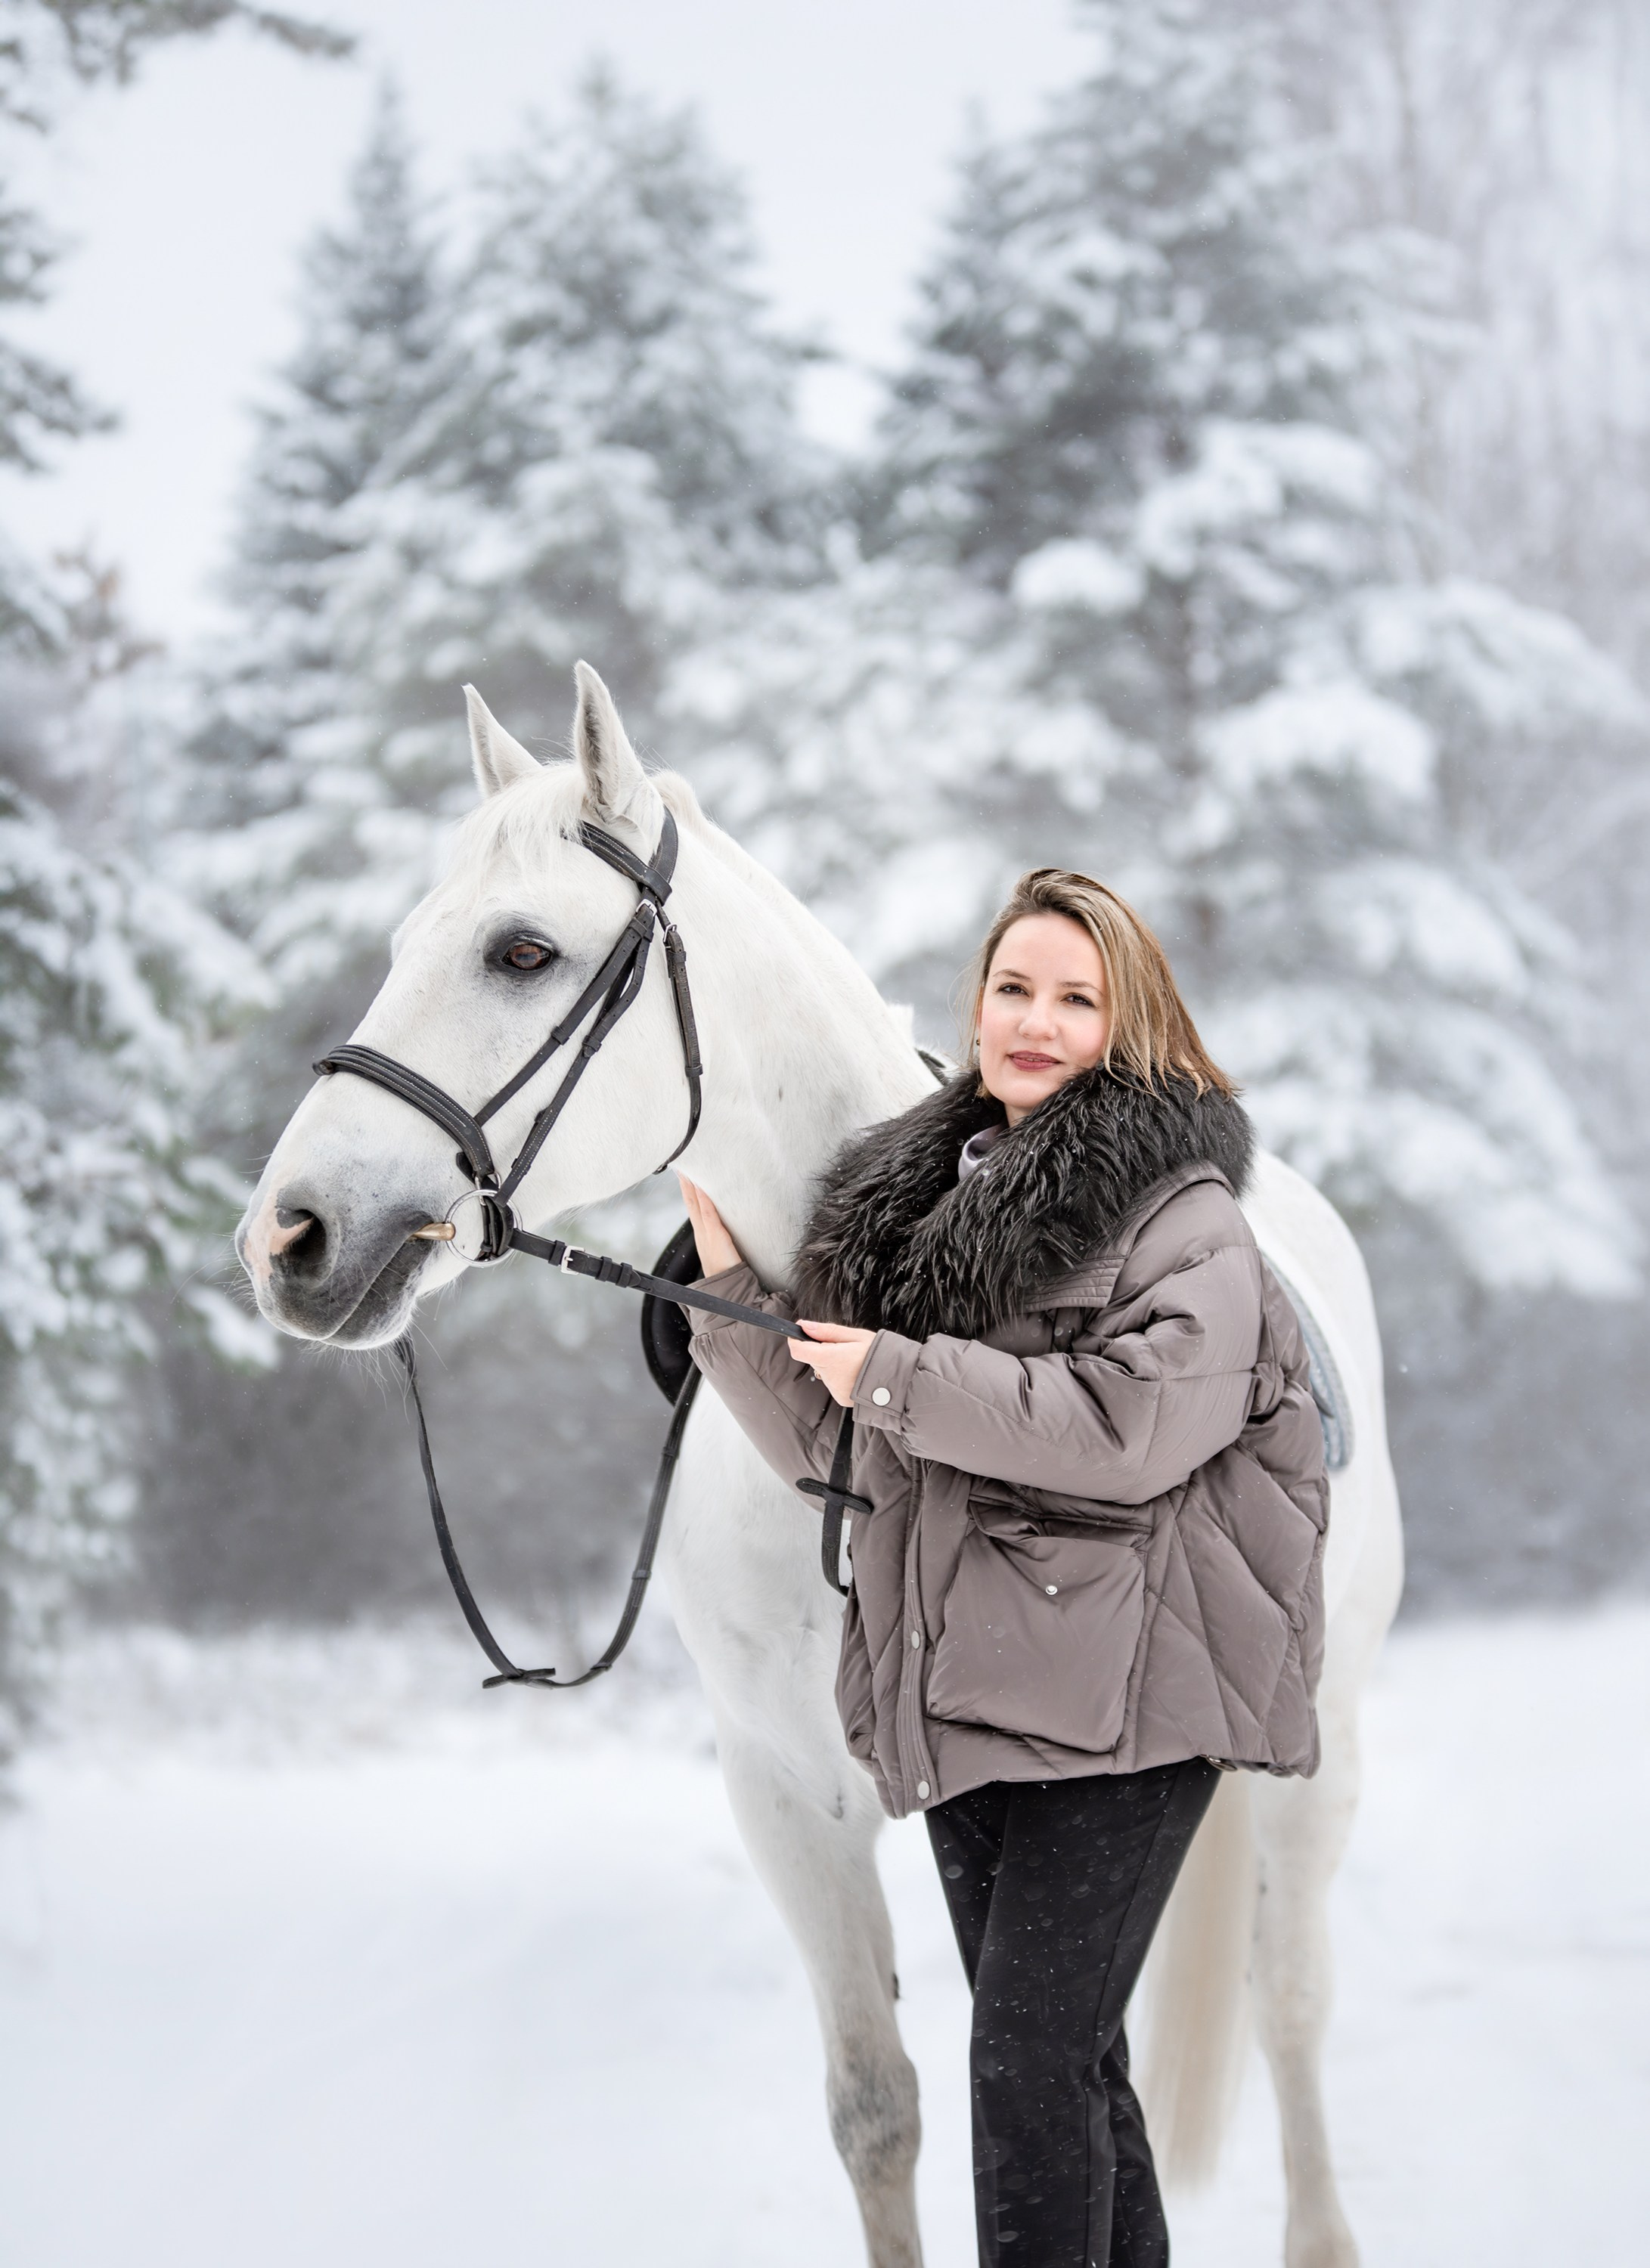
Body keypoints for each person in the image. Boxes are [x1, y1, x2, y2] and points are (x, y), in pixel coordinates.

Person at [678, 866, 1327, 2268]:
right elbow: (858, 1449)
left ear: (1128, 1025)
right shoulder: (929, 1210)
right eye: (1012, 989)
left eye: (1074, 1000)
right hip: (974, 1689)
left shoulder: (1184, 1221)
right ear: (973, 1006)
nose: (1035, 1022)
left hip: (1136, 1703)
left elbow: (1126, 1430)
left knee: (1026, 2067)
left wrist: (896, 1373)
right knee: (1067, 2067)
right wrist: (729, 1310)